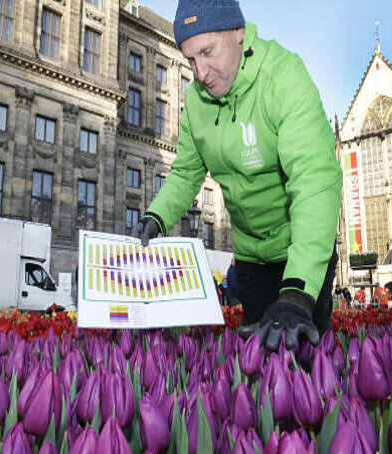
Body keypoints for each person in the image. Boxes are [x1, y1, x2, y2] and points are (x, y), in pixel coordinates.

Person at [133, 0, 341, 351]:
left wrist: (297, 293)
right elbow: (185, 172)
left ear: (237, 33)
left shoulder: (284, 77)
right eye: (190, 60)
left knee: (309, 364)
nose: (200, 73)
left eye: (208, 52)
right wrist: (157, 216)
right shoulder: (196, 102)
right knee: (260, 366)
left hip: (300, 250)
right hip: (250, 260)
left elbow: (314, 181)